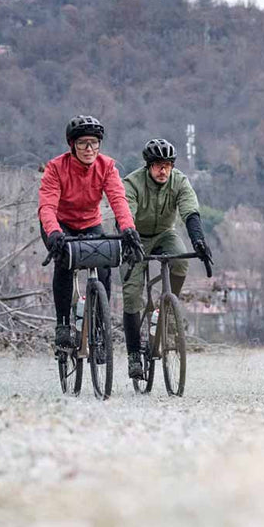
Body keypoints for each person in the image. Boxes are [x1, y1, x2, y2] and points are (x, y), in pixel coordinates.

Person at [38, 115, 144, 354]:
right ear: (72, 145)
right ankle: (63, 324)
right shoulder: (56, 167)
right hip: (59, 225)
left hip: (90, 223)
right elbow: (47, 206)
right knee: (64, 263)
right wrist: (53, 232)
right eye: (83, 143)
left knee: (104, 267)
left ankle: (98, 327)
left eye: (94, 143)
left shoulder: (106, 166)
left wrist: (128, 229)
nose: (89, 149)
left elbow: (118, 200)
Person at [120, 138, 213, 379]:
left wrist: (199, 241)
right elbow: (126, 214)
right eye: (158, 165)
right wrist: (129, 238)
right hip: (134, 236)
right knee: (131, 295)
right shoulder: (132, 183)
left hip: (164, 233)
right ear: (148, 166)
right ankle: (133, 355)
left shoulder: (179, 181)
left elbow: (190, 211)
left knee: (181, 260)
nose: (163, 170)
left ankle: (168, 308)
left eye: (168, 165)